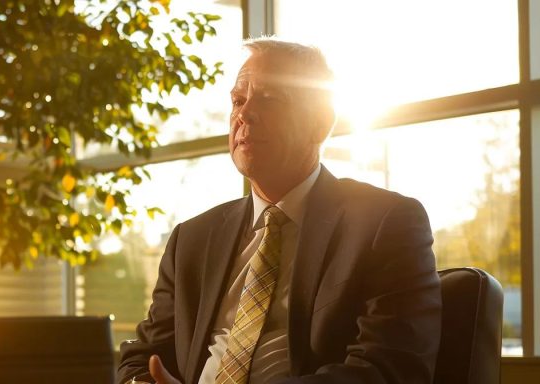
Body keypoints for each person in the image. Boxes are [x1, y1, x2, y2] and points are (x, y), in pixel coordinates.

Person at [116, 38, 442, 384]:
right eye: (238, 100)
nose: (244, 113)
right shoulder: (193, 239)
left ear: (320, 122)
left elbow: (387, 369)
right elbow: (144, 353)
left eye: (269, 99)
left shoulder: (385, 223)